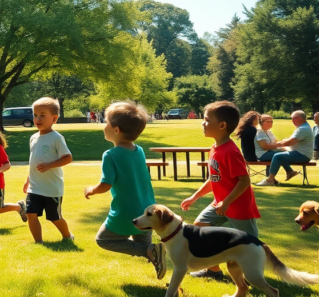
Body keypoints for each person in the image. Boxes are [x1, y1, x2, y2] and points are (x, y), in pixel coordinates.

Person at [84, 101, 166, 280]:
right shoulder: (139, 150)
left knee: (103, 239)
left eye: (106, 122)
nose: (103, 126)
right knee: (143, 241)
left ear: (116, 130)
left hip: (126, 212)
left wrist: (91, 190)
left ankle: (149, 251)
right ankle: (156, 257)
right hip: (147, 210)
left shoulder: (111, 155)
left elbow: (106, 184)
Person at [181, 101, 260, 280]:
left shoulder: (230, 151)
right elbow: (214, 178)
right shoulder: (215, 148)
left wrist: (227, 201)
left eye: (206, 119)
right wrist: (195, 196)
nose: (202, 123)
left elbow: (244, 180)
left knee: (248, 242)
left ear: (222, 125)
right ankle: (214, 270)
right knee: (200, 227)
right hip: (220, 203)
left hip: (238, 206)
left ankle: (253, 274)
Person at [24, 97, 73, 243]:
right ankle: (38, 242)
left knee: (54, 217)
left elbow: (67, 158)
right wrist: (28, 180)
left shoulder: (56, 138)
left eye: (42, 115)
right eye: (35, 115)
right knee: (30, 213)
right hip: (35, 187)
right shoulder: (33, 138)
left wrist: (49, 165)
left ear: (54, 119)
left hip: (52, 188)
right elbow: (33, 162)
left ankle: (67, 236)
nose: (37, 119)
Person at [255, 110, 313, 186]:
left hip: (302, 155)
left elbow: (289, 142)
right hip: (300, 153)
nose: (292, 120)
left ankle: (270, 180)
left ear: (300, 118)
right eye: (268, 122)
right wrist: (281, 144)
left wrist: (280, 144)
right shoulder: (302, 128)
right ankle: (288, 172)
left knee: (278, 156)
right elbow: (289, 141)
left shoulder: (302, 129)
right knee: (279, 155)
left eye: (293, 118)